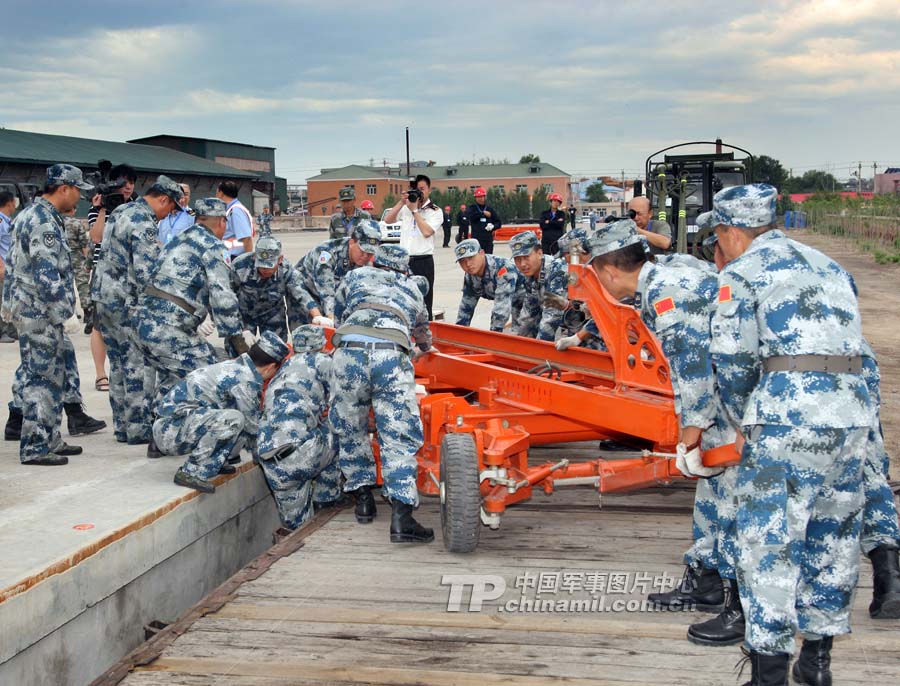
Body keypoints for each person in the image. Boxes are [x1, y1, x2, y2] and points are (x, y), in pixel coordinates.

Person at [709, 183, 871, 686]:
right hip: (851, 417)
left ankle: (770, 670)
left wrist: (743, 423)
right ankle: (817, 662)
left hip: (785, 419)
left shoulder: (742, 273)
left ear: (732, 231)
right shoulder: (828, 266)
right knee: (834, 538)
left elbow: (732, 361)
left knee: (770, 543)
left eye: (717, 235)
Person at [329, 244, 436, 543]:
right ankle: (402, 520)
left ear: (376, 262)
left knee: (351, 427)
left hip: (349, 351)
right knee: (397, 435)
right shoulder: (411, 286)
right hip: (390, 354)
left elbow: (338, 316)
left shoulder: (354, 276)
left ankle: (363, 501)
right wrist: (426, 348)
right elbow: (422, 332)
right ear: (405, 268)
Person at [0, 165, 92, 465]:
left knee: (52, 376)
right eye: (78, 190)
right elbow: (45, 271)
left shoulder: (29, 214)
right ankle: (36, 446)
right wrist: (65, 312)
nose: (80, 196)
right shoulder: (43, 222)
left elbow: (17, 264)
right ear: (63, 188)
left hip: (30, 308)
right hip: (40, 312)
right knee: (41, 378)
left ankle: (50, 438)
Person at [137, 198, 249, 442]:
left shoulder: (179, 238)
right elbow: (223, 297)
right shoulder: (213, 246)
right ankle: (214, 441)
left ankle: (158, 438)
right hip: (170, 329)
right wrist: (237, 341)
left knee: (173, 377)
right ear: (221, 222)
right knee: (211, 374)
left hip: (144, 322)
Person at [91, 175, 183, 446]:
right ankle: (138, 428)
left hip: (104, 297)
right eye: (171, 208)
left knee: (119, 363)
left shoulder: (122, 210)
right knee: (138, 365)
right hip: (126, 302)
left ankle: (122, 426)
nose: (169, 215)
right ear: (163, 199)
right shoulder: (143, 221)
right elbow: (146, 273)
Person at [154, 331, 289, 493]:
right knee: (234, 418)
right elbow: (253, 427)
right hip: (169, 431)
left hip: (180, 424)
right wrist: (271, 460)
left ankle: (214, 462)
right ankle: (191, 471)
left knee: (234, 415)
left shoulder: (239, 367)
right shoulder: (245, 379)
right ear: (271, 367)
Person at [257, 325, 345, 529]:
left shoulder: (282, 370)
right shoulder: (324, 362)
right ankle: (327, 497)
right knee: (340, 433)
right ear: (322, 344)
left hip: (270, 461)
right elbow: (344, 404)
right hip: (302, 453)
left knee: (298, 527)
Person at [295, 221, 381, 325]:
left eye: (370, 253)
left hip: (333, 295)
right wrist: (332, 319)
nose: (365, 256)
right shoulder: (327, 253)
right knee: (308, 334)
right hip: (305, 291)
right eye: (362, 251)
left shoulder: (366, 262)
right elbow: (326, 291)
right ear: (351, 242)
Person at [384, 174, 442, 320]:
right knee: (402, 297)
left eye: (422, 189)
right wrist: (401, 203)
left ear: (429, 190)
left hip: (423, 261)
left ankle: (425, 334)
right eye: (416, 189)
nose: (419, 192)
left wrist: (415, 211)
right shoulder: (406, 207)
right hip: (404, 261)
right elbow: (388, 220)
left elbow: (427, 232)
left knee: (424, 300)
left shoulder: (435, 211)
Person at [230, 236, 309, 340]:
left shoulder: (286, 269)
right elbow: (228, 296)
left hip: (272, 314)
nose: (265, 270)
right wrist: (241, 327)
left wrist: (317, 316)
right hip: (244, 314)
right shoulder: (240, 265)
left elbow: (301, 294)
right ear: (255, 257)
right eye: (262, 266)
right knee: (239, 348)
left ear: (280, 259)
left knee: (276, 351)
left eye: (269, 266)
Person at [454, 238, 523, 332]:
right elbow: (466, 306)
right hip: (511, 301)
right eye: (462, 261)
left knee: (523, 333)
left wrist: (493, 335)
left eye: (471, 258)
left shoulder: (503, 269)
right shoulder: (470, 275)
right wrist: (459, 332)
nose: (468, 264)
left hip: (528, 299)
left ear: (482, 253)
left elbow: (501, 308)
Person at [508, 230, 567, 340]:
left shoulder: (557, 271)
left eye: (526, 257)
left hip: (581, 325)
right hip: (559, 320)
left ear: (539, 253)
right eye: (517, 259)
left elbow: (552, 317)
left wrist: (539, 349)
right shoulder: (530, 274)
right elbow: (529, 312)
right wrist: (515, 340)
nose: (522, 264)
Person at [216, 180, 254, 260]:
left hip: (236, 258)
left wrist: (248, 261)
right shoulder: (229, 210)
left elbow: (247, 238)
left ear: (221, 193)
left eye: (217, 192)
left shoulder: (235, 211)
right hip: (228, 256)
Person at [0, 190, 18, 342]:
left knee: (10, 298)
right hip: (2, 265)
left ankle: (11, 329)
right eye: (14, 201)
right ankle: (2, 331)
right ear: (9, 203)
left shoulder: (7, 221)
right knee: (2, 298)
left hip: (10, 265)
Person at [466, 187, 501, 254]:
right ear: (475, 198)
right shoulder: (472, 208)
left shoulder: (490, 209)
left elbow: (498, 223)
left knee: (488, 258)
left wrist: (493, 227)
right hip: (476, 240)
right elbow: (471, 216)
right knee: (477, 259)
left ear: (484, 197)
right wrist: (482, 213)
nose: (480, 199)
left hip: (487, 240)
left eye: (481, 197)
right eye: (478, 197)